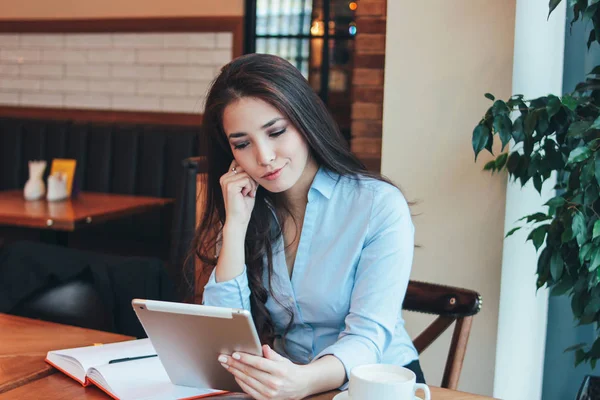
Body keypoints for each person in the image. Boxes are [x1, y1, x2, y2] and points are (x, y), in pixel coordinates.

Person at [192, 53, 422, 400]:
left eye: (276, 132)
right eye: (242, 144)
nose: (264, 156)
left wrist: (302, 381)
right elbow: (224, 333)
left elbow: (368, 336)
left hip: (371, 387)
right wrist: (235, 226)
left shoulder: (378, 205)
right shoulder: (249, 206)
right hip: (287, 387)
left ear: (304, 120)